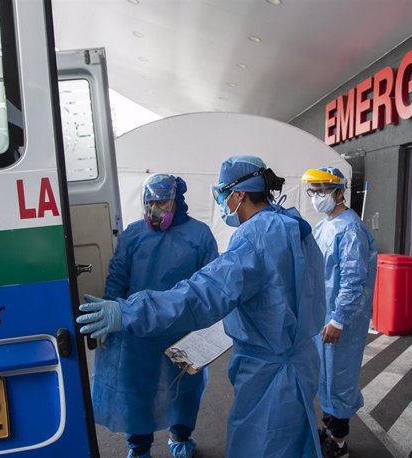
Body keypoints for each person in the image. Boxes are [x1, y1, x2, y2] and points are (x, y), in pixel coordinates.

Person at [78, 155, 326, 458]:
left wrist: (127, 311)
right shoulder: (292, 224)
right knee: (292, 442)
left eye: (222, 193)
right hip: (300, 360)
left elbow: (201, 293)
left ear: (239, 194)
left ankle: (180, 436)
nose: (221, 201)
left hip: (270, 373)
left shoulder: (254, 238)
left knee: (263, 444)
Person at [91, 174, 218, 458]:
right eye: (149, 203)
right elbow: (117, 278)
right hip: (139, 332)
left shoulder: (199, 236)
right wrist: (110, 312)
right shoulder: (133, 235)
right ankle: (139, 446)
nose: (154, 210)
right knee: (137, 390)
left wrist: (207, 330)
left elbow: (212, 284)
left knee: (184, 387)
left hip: (183, 329)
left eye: (161, 202)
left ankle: (181, 436)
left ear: (177, 201)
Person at [301, 167, 378, 458]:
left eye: (323, 189)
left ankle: (339, 443)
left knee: (339, 379)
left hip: (341, 322)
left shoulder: (350, 228)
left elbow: (353, 278)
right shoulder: (325, 225)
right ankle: (330, 427)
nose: (317, 196)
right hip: (324, 317)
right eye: (314, 190)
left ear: (339, 191)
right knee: (324, 377)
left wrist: (338, 319)